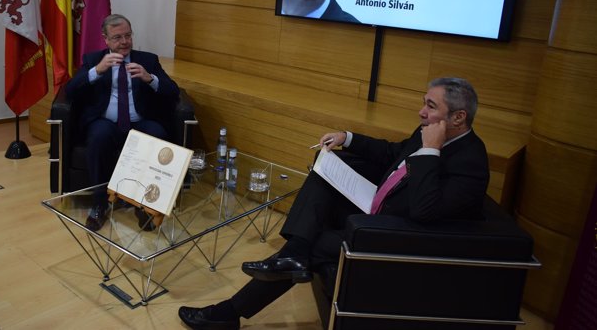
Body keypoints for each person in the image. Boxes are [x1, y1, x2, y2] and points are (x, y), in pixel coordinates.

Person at [179, 77, 489, 329]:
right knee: (324, 170)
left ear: (459, 117)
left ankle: (230, 311)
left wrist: (431, 153)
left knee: (313, 244)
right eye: (424, 102)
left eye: (431, 106)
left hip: (394, 236)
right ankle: (292, 255)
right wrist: (347, 137)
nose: (421, 112)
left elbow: (424, 210)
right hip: (376, 210)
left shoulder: (470, 162)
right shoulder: (427, 132)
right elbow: (391, 153)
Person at [65, 14, 180, 231]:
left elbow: (173, 91)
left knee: (158, 135)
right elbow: (70, 91)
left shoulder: (147, 60)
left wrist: (149, 78)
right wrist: (97, 71)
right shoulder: (92, 60)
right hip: (105, 122)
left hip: (139, 122)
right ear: (105, 40)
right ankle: (99, 204)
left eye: (128, 35)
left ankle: (145, 204)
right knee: (98, 137)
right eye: (117, 37)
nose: (124, 41)